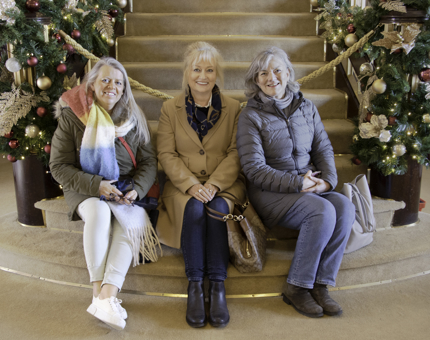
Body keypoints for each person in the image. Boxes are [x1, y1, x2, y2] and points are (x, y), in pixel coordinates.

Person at [236, 47, 355, 318]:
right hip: (270, 192)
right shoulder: (250, 116)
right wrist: (297, 183)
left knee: (344, 207)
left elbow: (323, 149)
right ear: (256, 81)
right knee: (321, 210)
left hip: (309, 183)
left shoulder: (307, 107)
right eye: (263, 73)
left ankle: (321, 284)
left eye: (277, 70)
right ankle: (297, 286)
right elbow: (254, 170)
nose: (271, 77)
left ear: (288, 73)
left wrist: (328, 183)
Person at [50, 57, 158, 330]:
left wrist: (136, 190)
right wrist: (97, 185)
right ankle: (98, 292)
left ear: (124, 89)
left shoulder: (134, 118)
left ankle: (108, 294)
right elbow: (59, 167)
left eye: (118, 82)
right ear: (93, 84)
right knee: (99, 211)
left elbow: (148, 163)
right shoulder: (72, 117)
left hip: (124, 189)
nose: (112, 86)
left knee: (129, 222)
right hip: (85, 187)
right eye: (106, 80)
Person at [156, 42, 246, 328]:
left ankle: (217, 287)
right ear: (186, 73)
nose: (203, 76)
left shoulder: (234, 108)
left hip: (224, 184)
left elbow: (236, 153)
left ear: (217, 73)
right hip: (184, 186)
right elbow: (166, 154)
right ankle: (195, 285)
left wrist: (215, 185)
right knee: (195, 209)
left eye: (209, 69)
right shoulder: (170, 108)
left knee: (217, 209)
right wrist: (192, 185)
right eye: (197, 69)